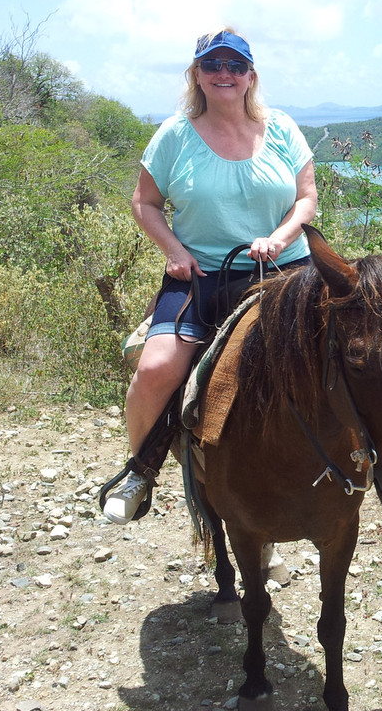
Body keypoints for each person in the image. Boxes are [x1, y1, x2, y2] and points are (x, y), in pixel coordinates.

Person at [102, 28, 318, 524]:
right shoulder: (175, 134)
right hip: (201, 274)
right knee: (156, 369)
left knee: (354, 355)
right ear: (196, 74)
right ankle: (140, 470)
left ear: (250, 77)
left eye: (235, 66)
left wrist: (282, 237)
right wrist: (173, 250)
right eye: (213, 65)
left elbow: (306, 197)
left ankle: (368, 457)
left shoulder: (282, 128)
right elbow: (144, 202)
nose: (225, 74)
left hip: (285, 269)